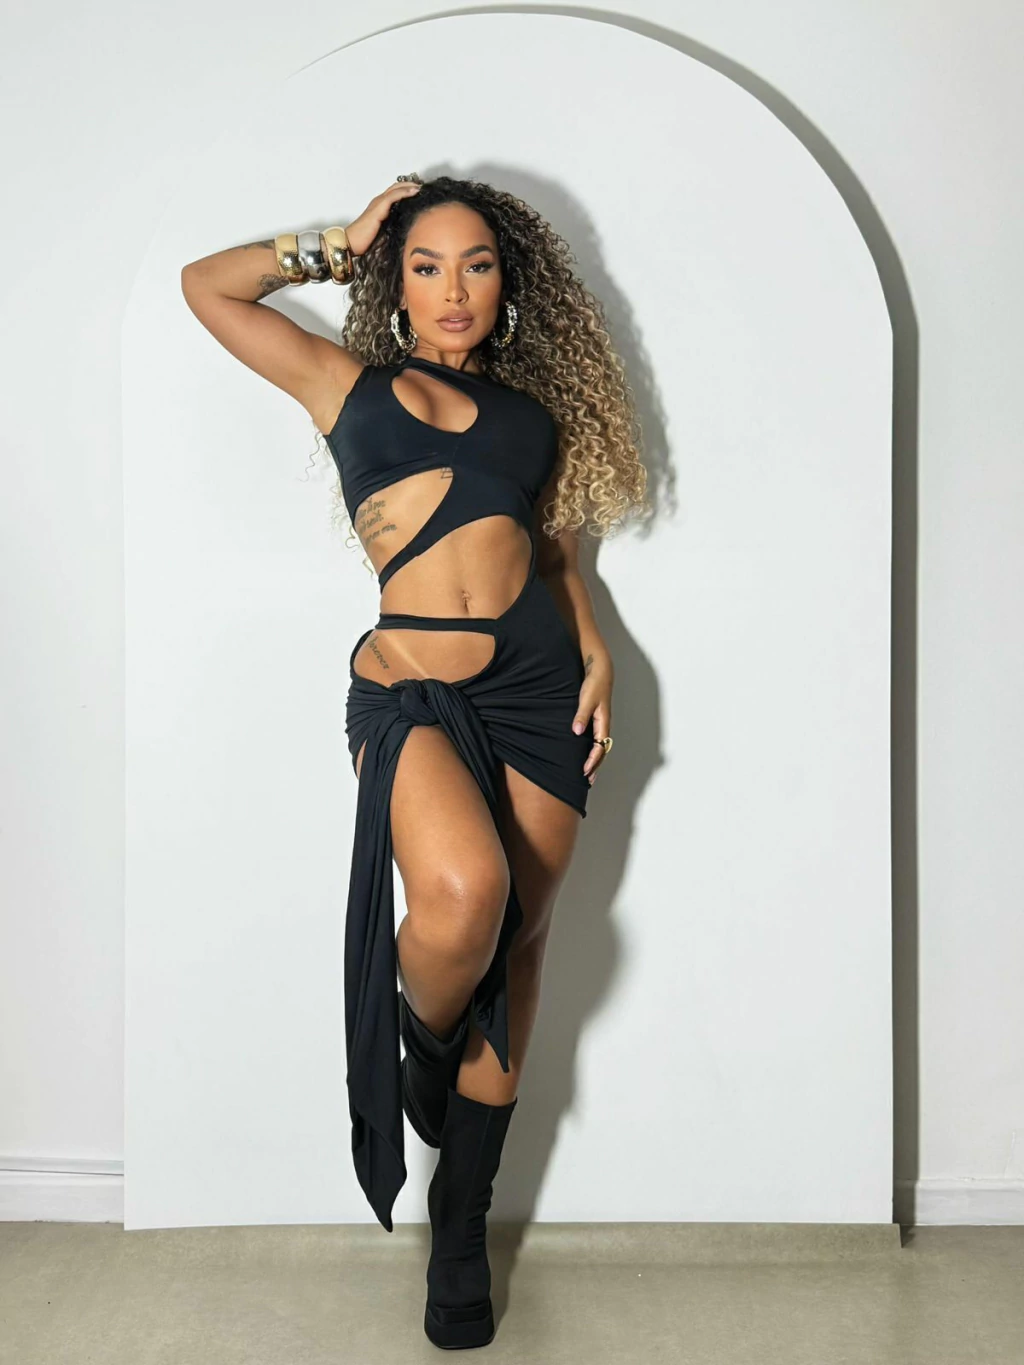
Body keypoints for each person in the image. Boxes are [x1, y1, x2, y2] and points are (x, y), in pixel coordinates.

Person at [181, 173, 649, 1349]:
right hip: (409, 689)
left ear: (507, 281)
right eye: (426, 265)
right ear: (394, 282)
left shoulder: (535, 414)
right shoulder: (345, 385)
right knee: (463, 899)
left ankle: (460, 1229)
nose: (453, 289)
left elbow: (554, 557)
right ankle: (419, 1045)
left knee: (519, 943)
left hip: (539, 689)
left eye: (476, 264)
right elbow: (208, 287)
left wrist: (596, 645)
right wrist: (339, 243)